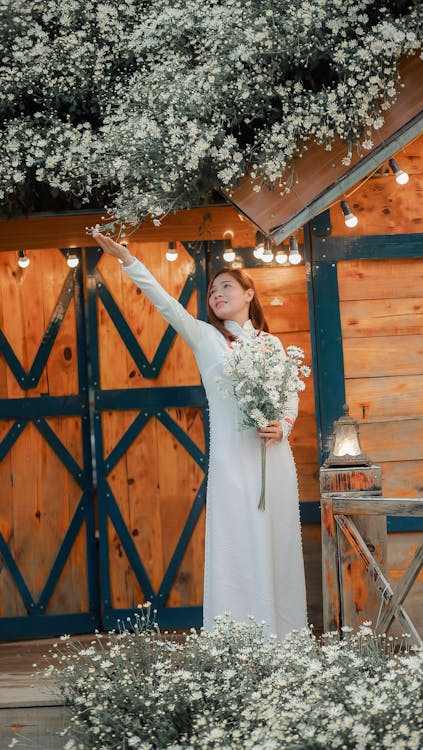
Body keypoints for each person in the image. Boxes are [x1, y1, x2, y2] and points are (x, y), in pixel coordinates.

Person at [92, 233, 308, 638]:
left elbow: (291, 398)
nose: (215, 294)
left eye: (225, 286)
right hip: (231, 461)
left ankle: (284, 641)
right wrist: (126, 260)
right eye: (211, 291)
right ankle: (236, 643)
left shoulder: (273, 345)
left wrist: (284, 427)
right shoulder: (207, 339)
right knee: (236, 548)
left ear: (249, 294)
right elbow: (165, 304)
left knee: (276, 545)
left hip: (273, 460)